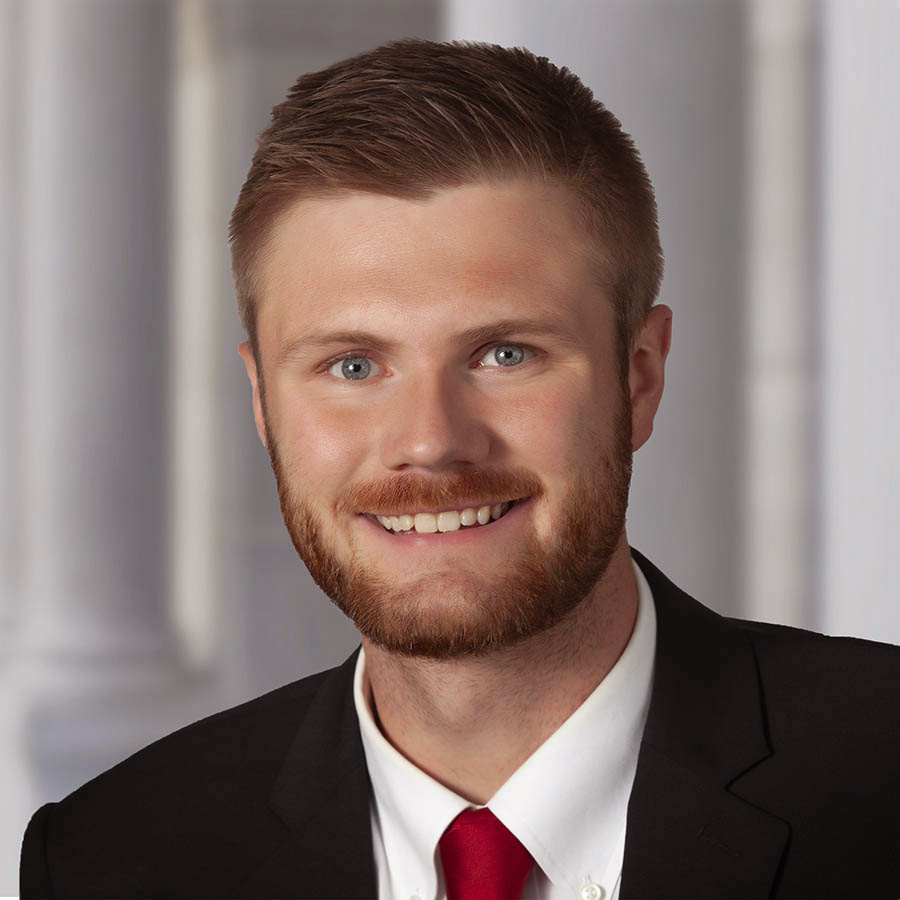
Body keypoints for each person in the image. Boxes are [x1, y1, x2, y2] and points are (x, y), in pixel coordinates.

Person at [19, 38, 900, 900]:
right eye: (353, 366)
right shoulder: (110, 861)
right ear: (262, 403)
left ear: (640, 377)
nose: (432, 440)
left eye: (505, 353)